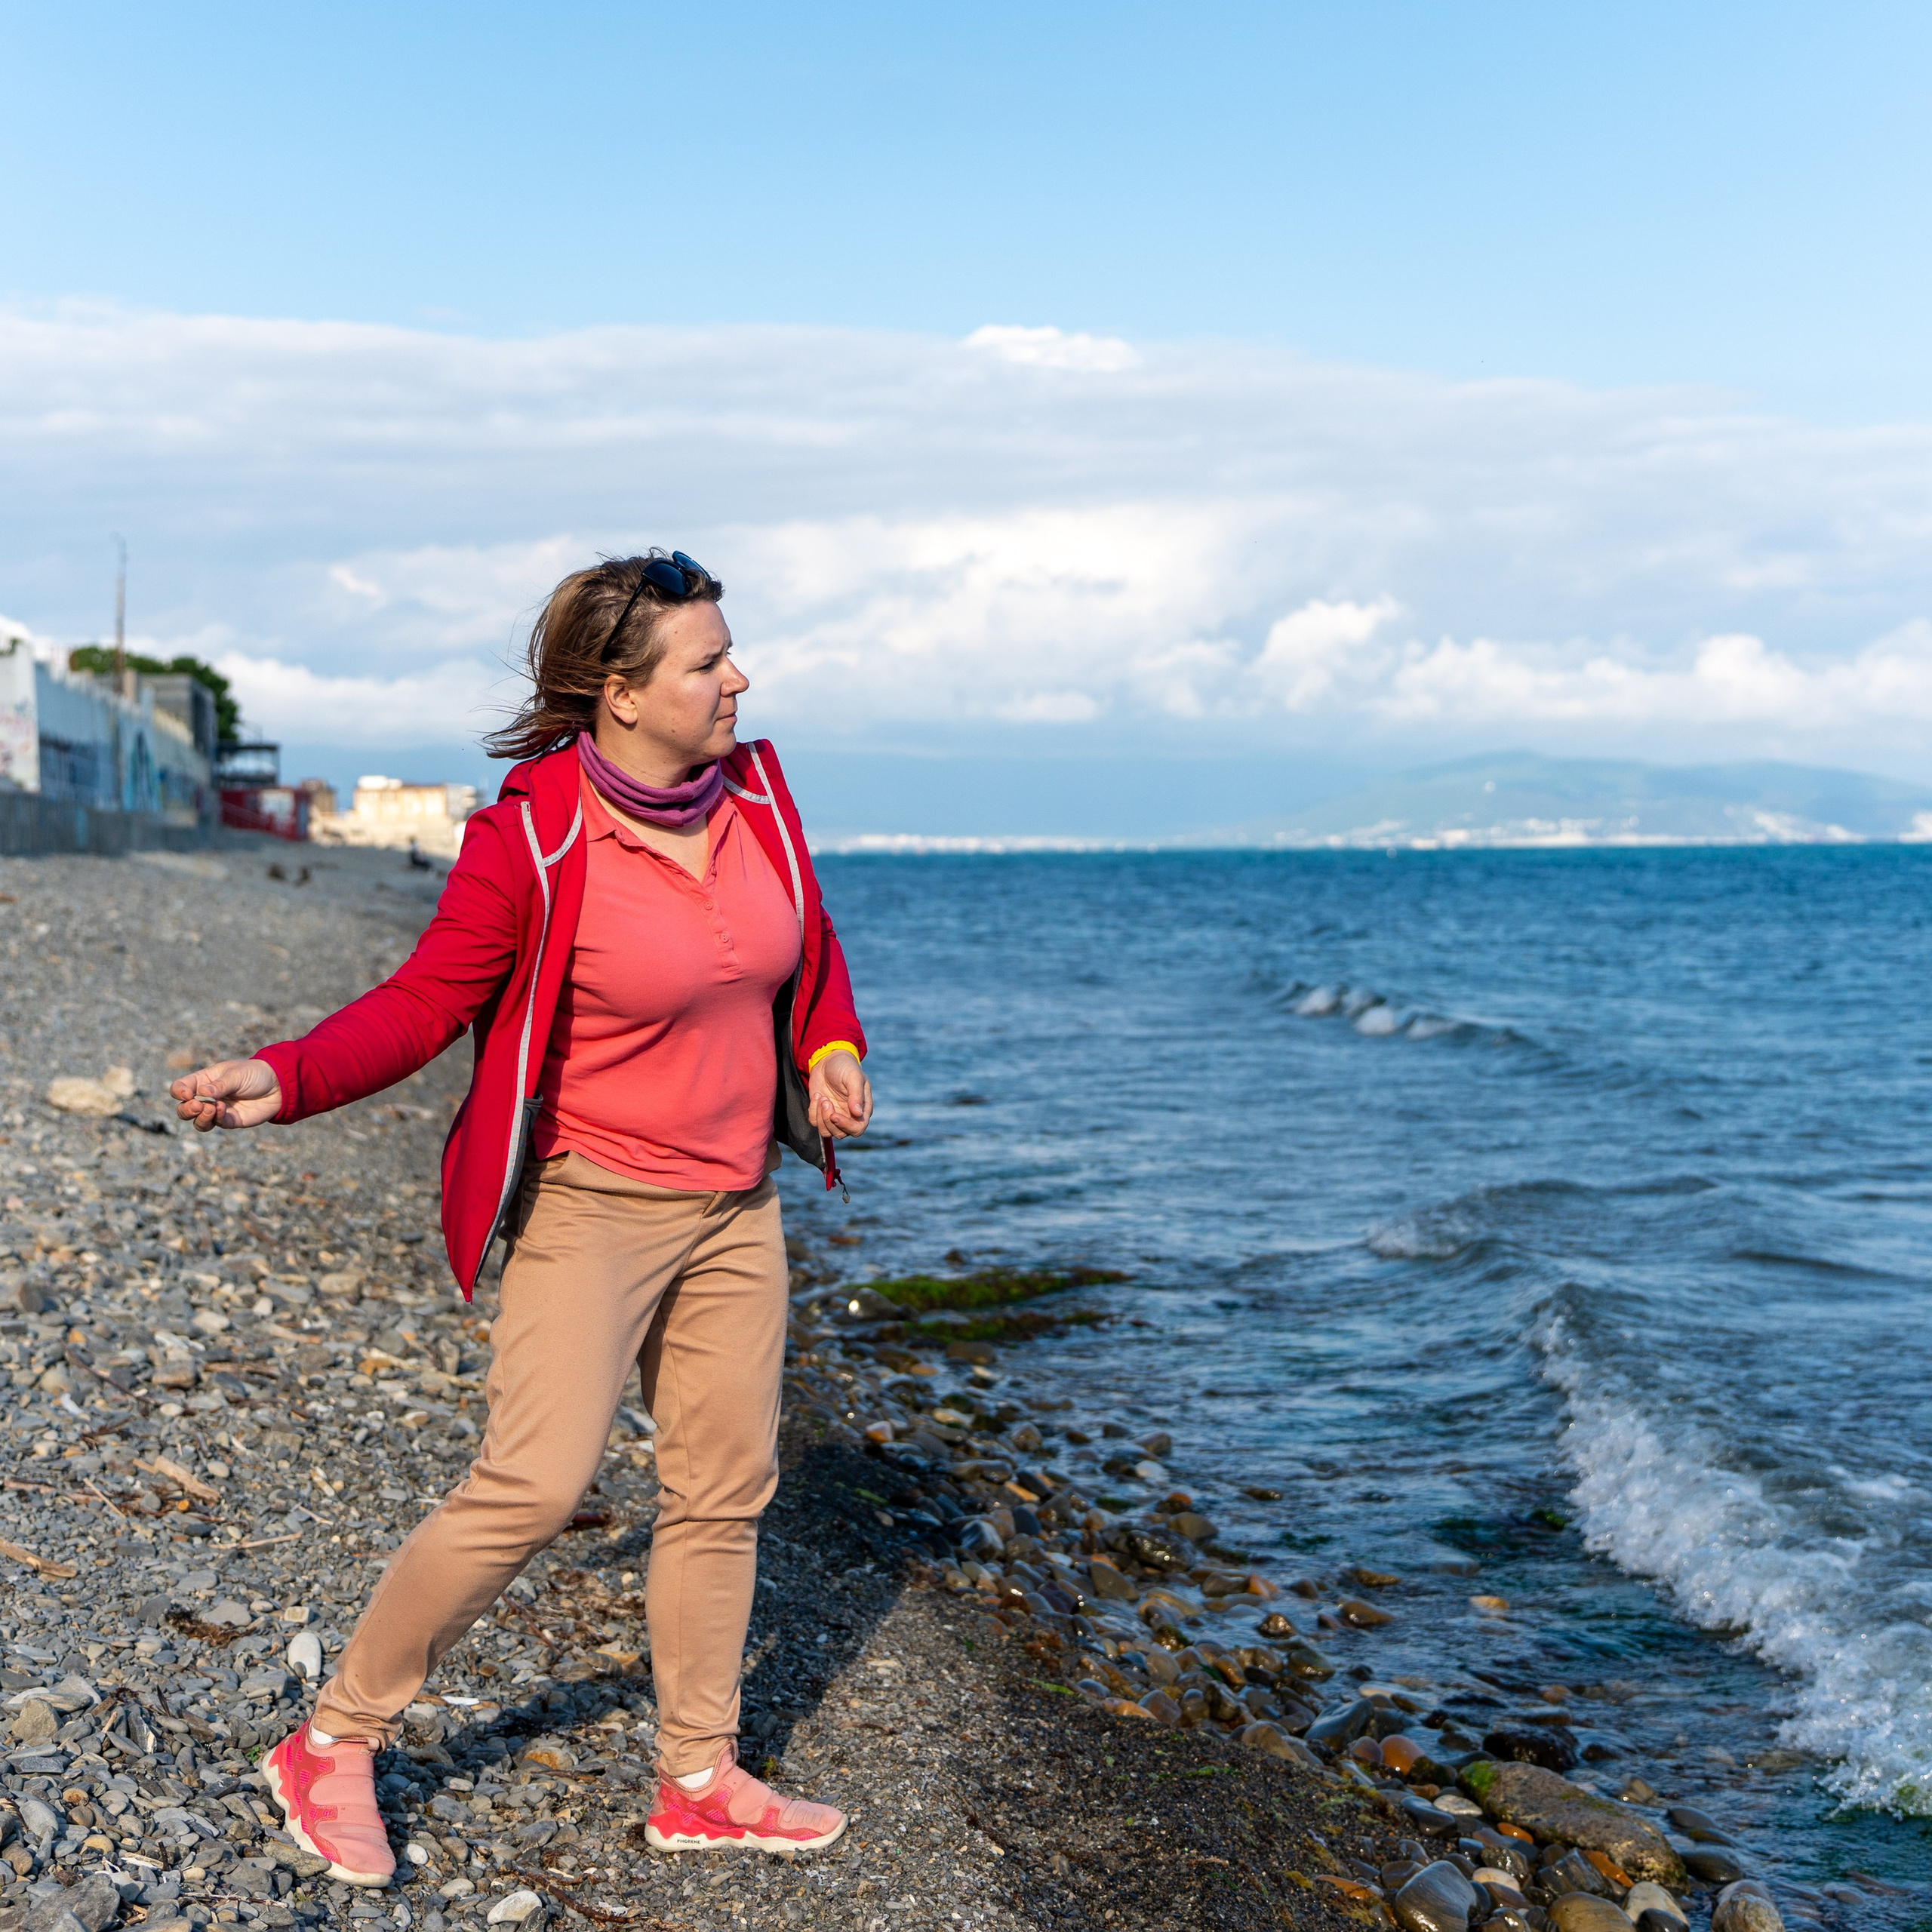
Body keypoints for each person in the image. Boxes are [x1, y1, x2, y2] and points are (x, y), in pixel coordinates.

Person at [171, 550, 872, 1881]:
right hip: (591, 1203)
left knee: (723, 1490)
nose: (740, 677)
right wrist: (289, 1075)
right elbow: (428, 1000)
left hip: (738, 1205)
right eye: (709, 661)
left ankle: (698, 1777)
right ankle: (334, 1738)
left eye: (730, 650)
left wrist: (830, 1051)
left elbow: (806, 950)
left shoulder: (758, 793)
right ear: (622, 693)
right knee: (535, 1485)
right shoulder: (533, 837)